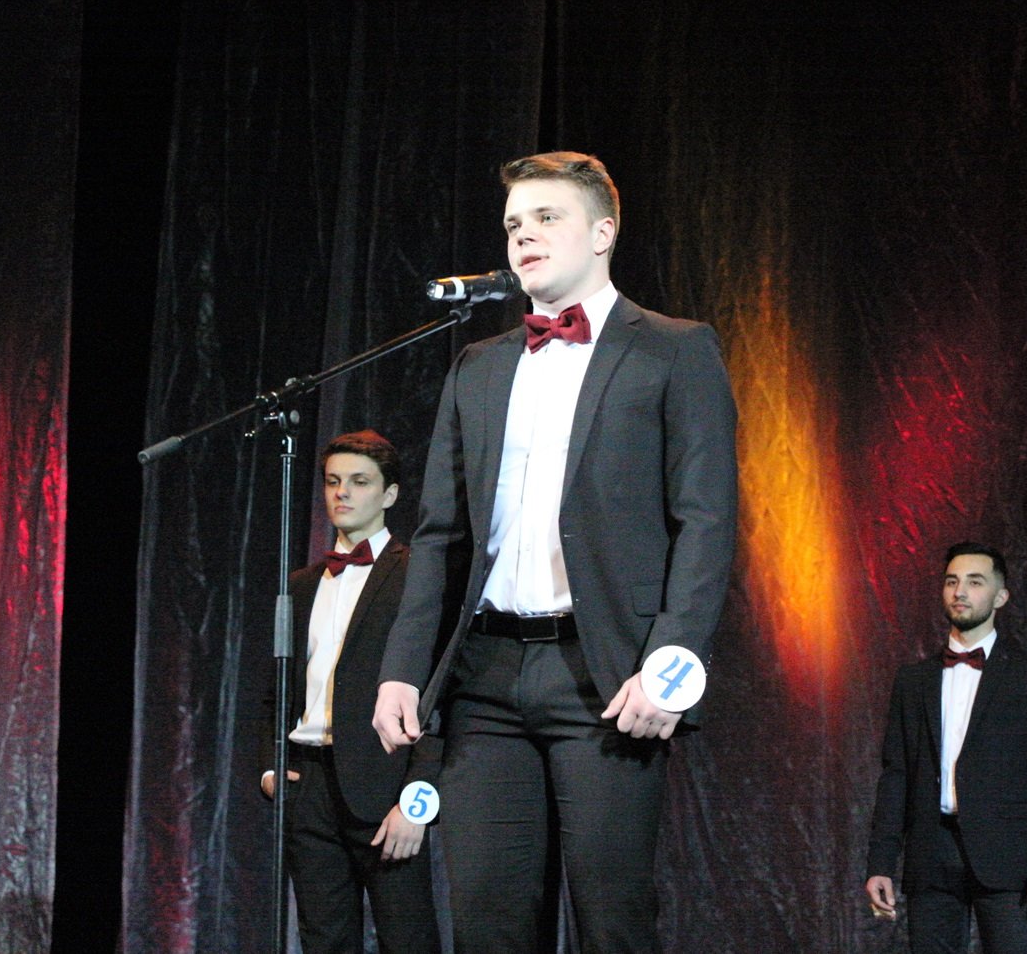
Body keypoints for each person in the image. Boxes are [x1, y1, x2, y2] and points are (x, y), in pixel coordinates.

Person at [373, 151, 738, 953]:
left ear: (603, 232)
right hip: (485, 677)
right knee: (489, 920)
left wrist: (671, 660)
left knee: (612, 918)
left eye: (546, 217)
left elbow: (706, 520)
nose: (524, 237)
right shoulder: (479, 365)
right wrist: (403, 666)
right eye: (513, 224)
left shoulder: (675, 350)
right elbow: (440, 533)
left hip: (604, 673)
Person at [262, 430, 440, 954]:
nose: (342, 492)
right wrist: (271, 770)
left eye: (359, 482)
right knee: (323, 940)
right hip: (309, 784)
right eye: (333, 481)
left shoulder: (417, 575)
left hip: (386, 785)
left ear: (389, 494)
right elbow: (275, 690)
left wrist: (417, 800)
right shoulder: (301, 584)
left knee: (408, 939)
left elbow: (441, 692)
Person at [865, 542, 1027, 953]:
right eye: (952, 581)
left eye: (975, 582)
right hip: (932, 854)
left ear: (1001, 596)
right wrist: (880, 864)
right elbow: (896, 777)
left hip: (1009, 856)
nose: (960, 591)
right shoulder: (914, 681)